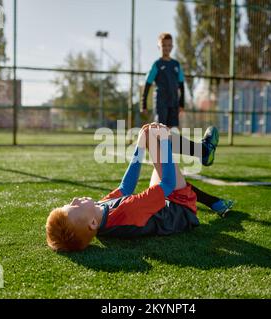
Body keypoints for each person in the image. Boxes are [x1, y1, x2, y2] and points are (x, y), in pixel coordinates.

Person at [46, 124, 228, 252]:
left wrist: (139, 147)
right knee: (155, 135)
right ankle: (204, 151)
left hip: (164, 206)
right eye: (75, 206)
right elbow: (168, 184)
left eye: (69, 202)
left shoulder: (99, 212)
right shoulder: (127, 211)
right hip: (181, 207)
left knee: (148, 135)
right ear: (92, 223)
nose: (75, 199)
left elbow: (125, 187)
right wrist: (164, 139)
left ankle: (214, 201)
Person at [141, 32, 233, 213]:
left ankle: (201, 156)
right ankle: (202, 152)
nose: (166, 48)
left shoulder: (176, 65)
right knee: (158, 136)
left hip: (173, 104)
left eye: (169, 45)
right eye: (163, 45)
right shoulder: (157, 65)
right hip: (161, 103)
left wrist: (181, 103)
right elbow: (148, 84)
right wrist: (144, 103)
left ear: (172, 46)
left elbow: (181, 84)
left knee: (159, 139)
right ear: (159, 46)